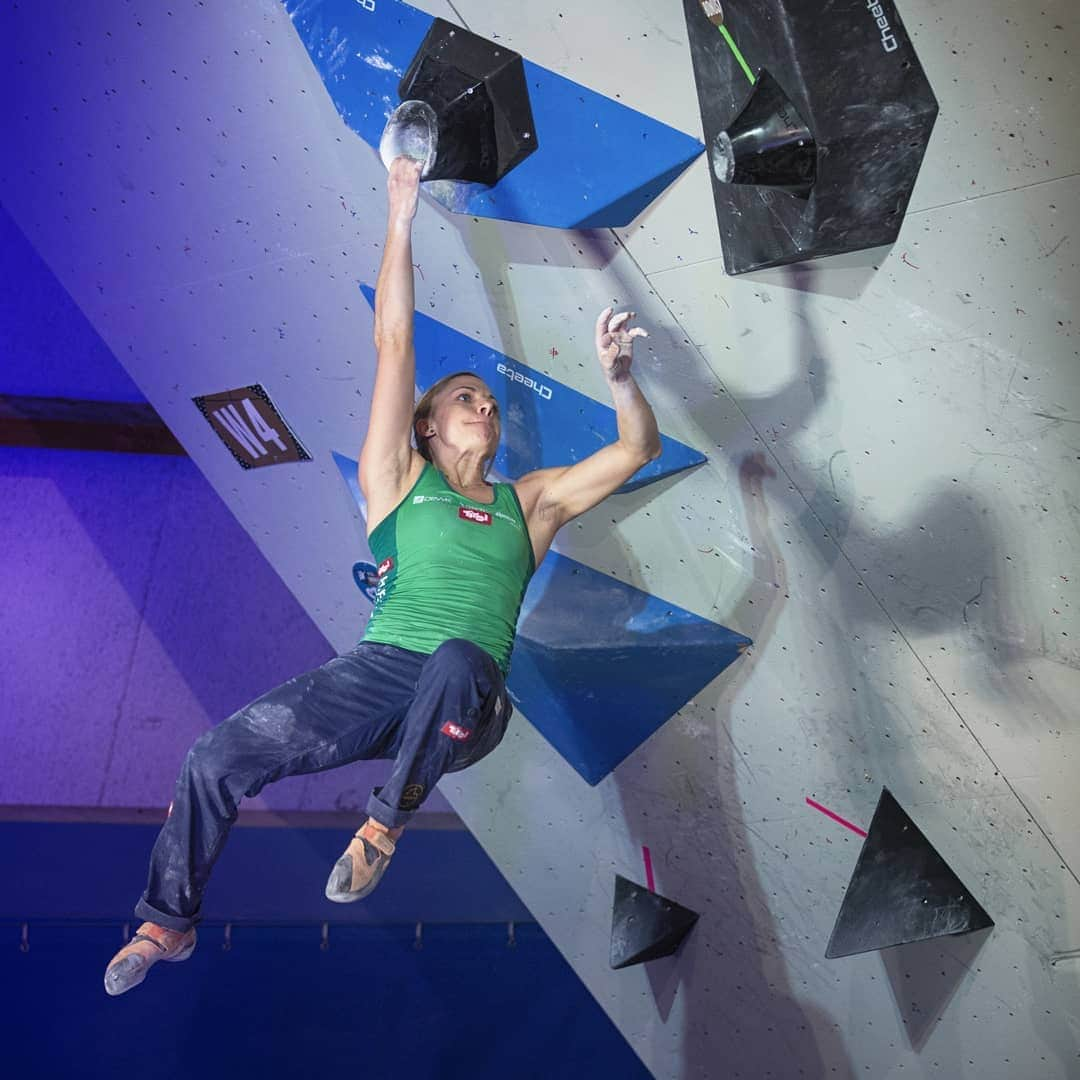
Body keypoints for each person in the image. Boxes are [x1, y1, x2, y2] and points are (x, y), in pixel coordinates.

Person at [103, 156, 663, 996]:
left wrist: (620, 381)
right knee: (213, 756)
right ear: (429, 428)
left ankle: (383, 825)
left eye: (490, 403)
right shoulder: (397, 483)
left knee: (459, 658)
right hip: (375, 677)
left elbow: (635, 450)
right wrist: (400, 211)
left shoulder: (530, 505)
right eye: (466, 398)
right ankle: (167, 921)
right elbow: (394, 340)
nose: (485, 406)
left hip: (467, 698)